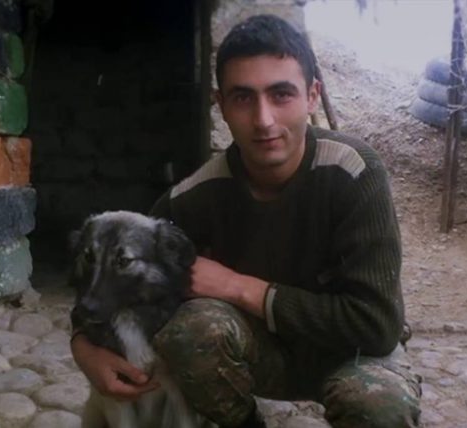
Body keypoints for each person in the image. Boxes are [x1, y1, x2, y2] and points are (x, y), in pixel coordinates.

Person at [71, 14, 421, 428]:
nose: (263, 119)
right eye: (243, 98)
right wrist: (83, 348)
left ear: (312, 96)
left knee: (380, 409)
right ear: (220, 105)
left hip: (352, 354)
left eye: (281, 95)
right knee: (191, 331)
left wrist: (237, 286)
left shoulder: (355, 173)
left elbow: (377, 325)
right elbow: (111, 277)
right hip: (260, 354)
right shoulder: (194, 196)